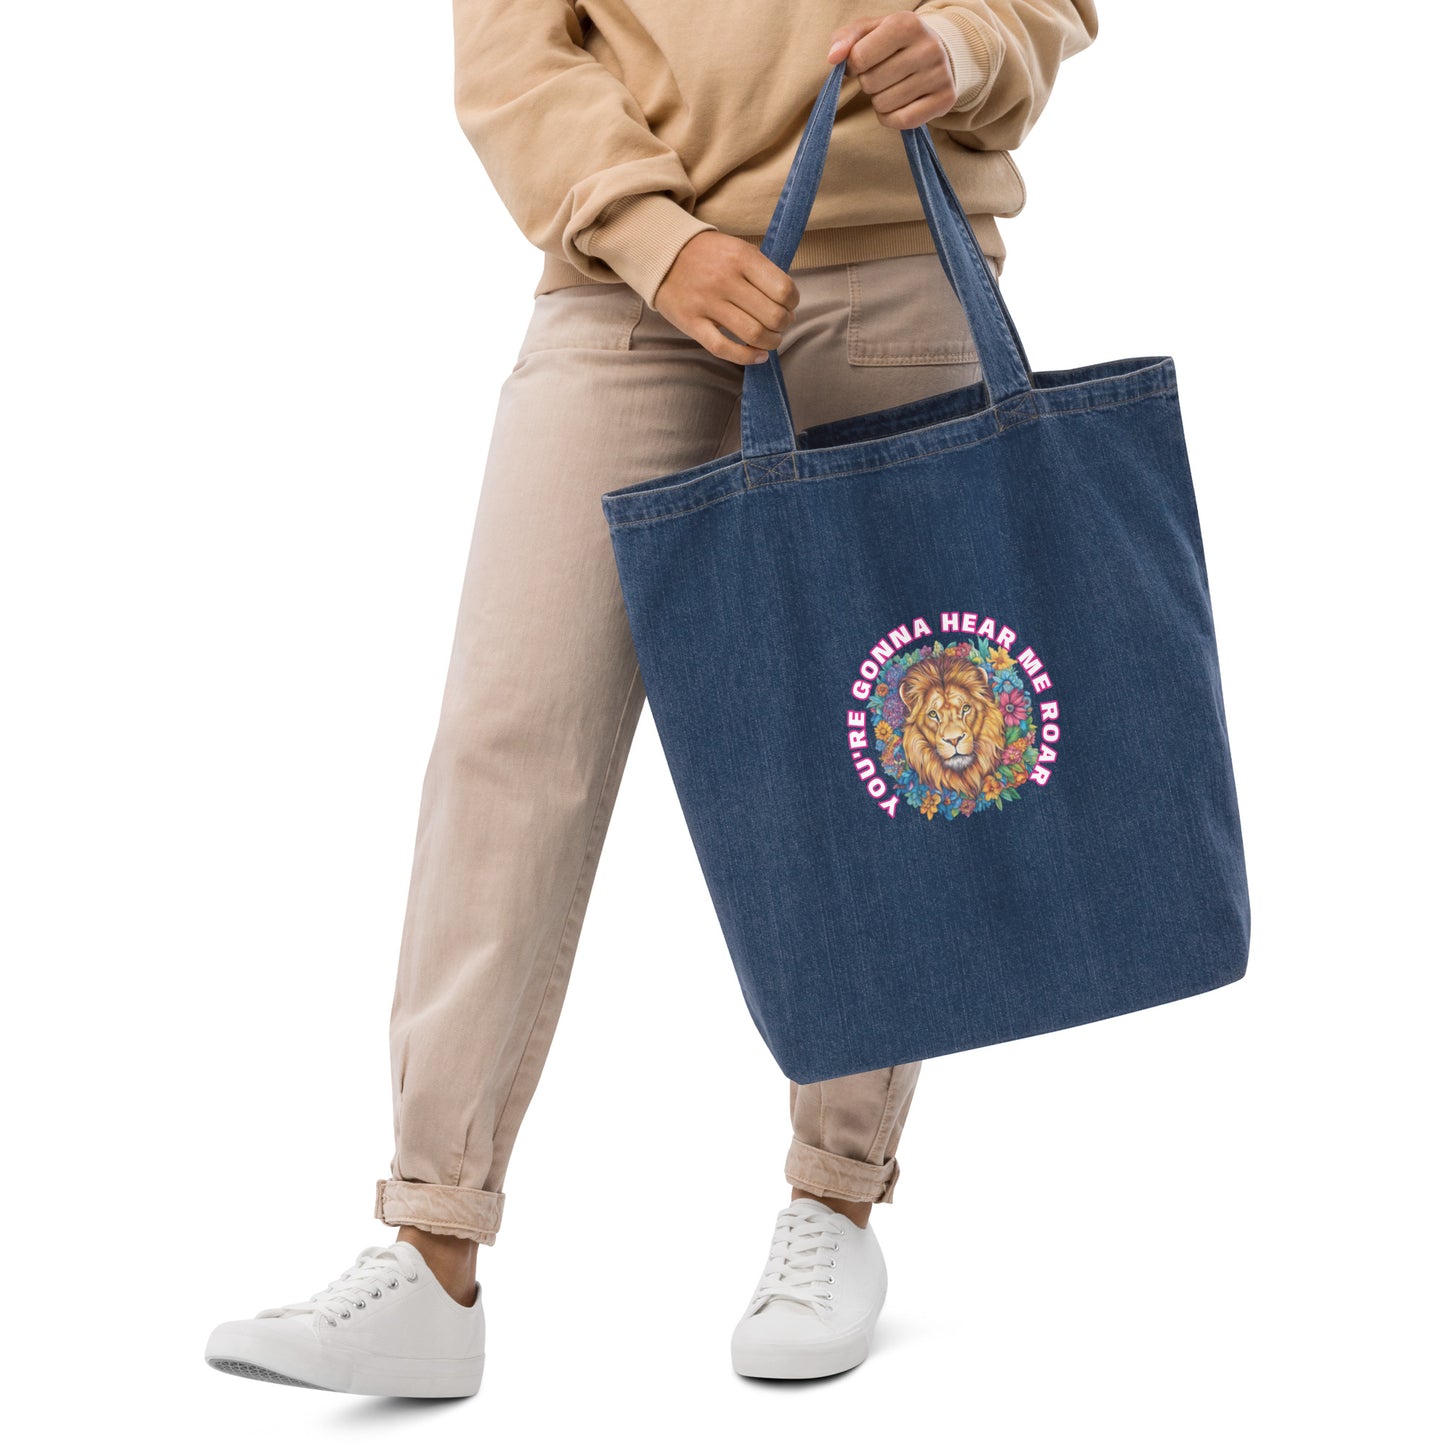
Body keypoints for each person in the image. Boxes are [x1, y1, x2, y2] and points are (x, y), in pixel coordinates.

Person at [204, 0, 1097, 1396]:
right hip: (629, 283)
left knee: (885, 748)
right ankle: (431, 1242)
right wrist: (653, 236)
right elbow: (511, 47)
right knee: (509, 736)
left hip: (897, 265)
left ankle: (833, 1199)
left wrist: (970, 44)